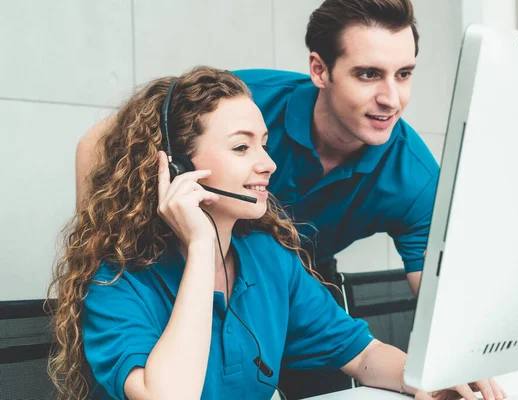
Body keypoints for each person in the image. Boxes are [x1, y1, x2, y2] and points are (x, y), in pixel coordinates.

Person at [48, 66, 506, 400]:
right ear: (178, 168)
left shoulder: (269, 258)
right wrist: (202, 244)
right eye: (242, 147)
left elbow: (362, 356)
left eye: (263, 143)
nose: (267, 163)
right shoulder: (118, 281)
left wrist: (428, 376)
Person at [76, 0, 435, 298]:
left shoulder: (416, 177)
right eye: (368, 74)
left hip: (299, 276)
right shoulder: (245, 99)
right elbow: (94, 144)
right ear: (319, 70)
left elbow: (436, 299)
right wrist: (96, 269)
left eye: (403, 74)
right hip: (186, 262)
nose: (391, 99)